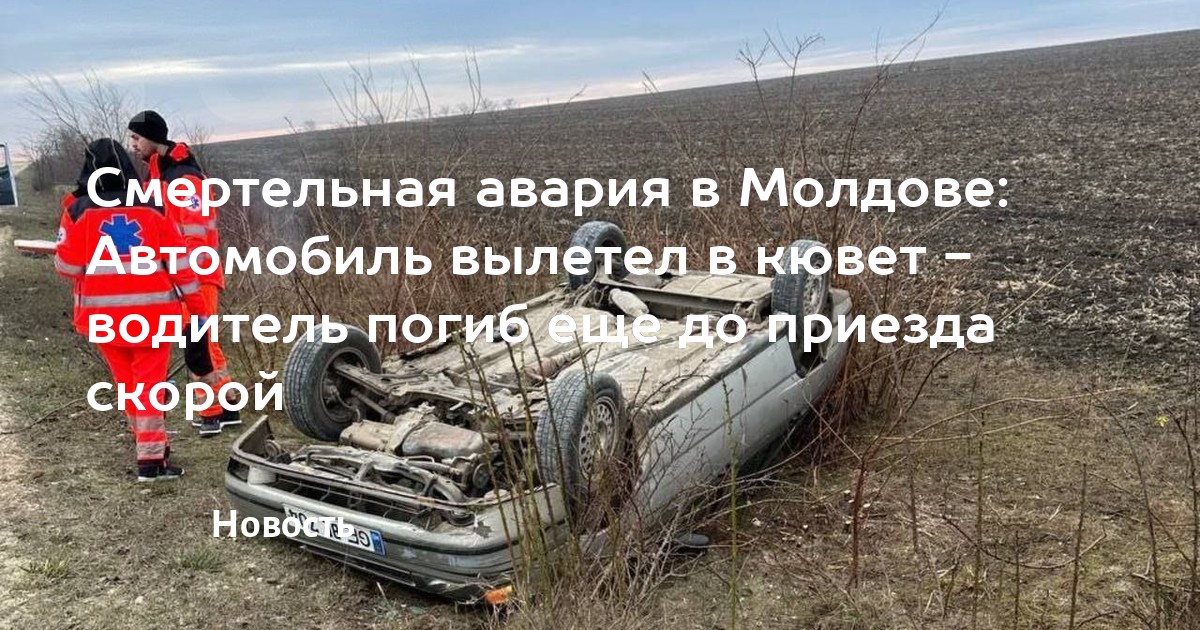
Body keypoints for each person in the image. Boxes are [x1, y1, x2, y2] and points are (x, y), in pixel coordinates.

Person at [54, 138, 211, 482]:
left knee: (128, 387)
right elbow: (180, 266)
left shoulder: (77, 210)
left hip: (102, 319)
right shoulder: (153, 206)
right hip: (154, 318)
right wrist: (197, 310)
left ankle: (150, 447)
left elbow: (67, 267)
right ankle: (151, 460)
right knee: (148, 387)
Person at [127, 110, 238, 437]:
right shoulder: (159, 174)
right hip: (181, 274)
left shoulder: (184, 179)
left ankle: (212, 413)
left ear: (153, 138)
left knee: (197, 343)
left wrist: (181, 274)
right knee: (204, 343)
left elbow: (194, 234)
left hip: (195, 274)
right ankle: (227, 406)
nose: (133, 144)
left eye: (136, 137)